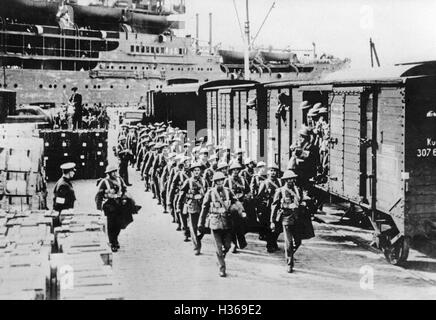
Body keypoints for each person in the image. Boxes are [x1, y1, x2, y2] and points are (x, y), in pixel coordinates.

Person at [198, 172, 236, 277]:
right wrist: (200, 223)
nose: (220, 183)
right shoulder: (210, 193)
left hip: (227, 223)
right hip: (215, 223)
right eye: (218, 181)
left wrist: (241, 211)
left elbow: (236, 202)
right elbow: (204, 208)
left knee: (227, 246)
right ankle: (222, 268)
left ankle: (221, 257)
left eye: (221, 181)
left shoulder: (228, 191)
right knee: (218, 247)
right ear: (214, 182)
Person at [95, 164, 138, 252]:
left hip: (119, 205)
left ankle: (115, 239)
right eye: (113, 172)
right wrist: (98, 208)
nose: (115, 173)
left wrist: (124, 197)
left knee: (119, 224)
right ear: (109, 173)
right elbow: (98, 195)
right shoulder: (104, 182)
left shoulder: (119, 179)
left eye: (115, 171)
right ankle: (113, 243)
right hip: (110, 205)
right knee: (111, 225)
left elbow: (124, 189)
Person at [270, 170, 303, 273]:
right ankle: (289, 263)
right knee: (288, 243)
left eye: (292, 179)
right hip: (286, 218)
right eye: (289, 179)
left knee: (298, 241)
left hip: (297, 219)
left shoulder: (297, 190)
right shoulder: (280, 191)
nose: (291, 181)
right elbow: (274, 206)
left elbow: (300, 201)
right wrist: (272, 221)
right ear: (285, 180)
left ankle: (290, 255)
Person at [177, 162, 208, 255]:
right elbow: (182, 194)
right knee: (193, 228)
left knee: (203, 228)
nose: (197, 172)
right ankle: (197, 246)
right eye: (195, 170)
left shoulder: (204, 181)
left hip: (203, 206)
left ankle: (198, 238)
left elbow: (208, 193)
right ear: (192, 172)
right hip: (192, 206)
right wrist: (178, 205)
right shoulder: (188, 181)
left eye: (198, 170)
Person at [257, 163, 282, 252]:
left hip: (278, 207)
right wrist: (259, 210)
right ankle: (269, 245)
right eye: (271, 170)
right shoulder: (264, 183)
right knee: (269, 227)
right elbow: (259, 197)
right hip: (267, 208)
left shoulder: (280, 182)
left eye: (275, 171)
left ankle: (273, 242)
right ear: (268, 172)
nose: (273, 173)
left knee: (278, 227)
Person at [224, 161, 249, 253]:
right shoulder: (227, 181)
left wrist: (246, 197)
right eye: (234, 170)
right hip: (232, 207)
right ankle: (234, 244)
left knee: (243, 225)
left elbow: (248, 191)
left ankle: (241, 242)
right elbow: (223, 193)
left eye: (237, 170)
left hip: (242, 206)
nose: (235, 171)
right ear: (231, 171)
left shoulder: (243, 180)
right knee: (232, 226)